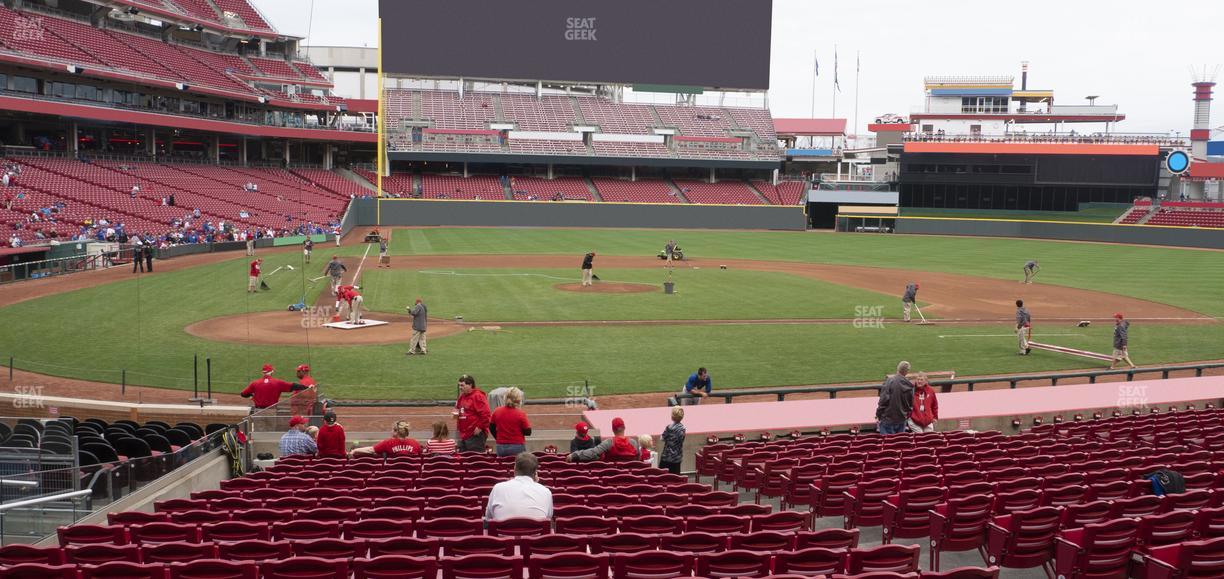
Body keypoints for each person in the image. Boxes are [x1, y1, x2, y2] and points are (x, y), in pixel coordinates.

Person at [485, 452, 553, 522]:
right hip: (536, 532)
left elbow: (488, 518)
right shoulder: (546, 492)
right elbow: (548, 518)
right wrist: (535, 484)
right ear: (535, 473)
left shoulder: (497, 488)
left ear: (514, 469)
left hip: (502, 532)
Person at [568, 417, 641, 462]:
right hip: (629, 478)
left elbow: (593, 453)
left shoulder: (609, 442)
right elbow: (638, 459)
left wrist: (575, 455)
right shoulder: (633, 443)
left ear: (613, 429)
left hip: (612, 477)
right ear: (624, 427)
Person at [240, 364, 310, 410]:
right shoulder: (277, 382)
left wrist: (252, 395)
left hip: (258, 411)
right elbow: (293, 386)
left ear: (262, 372)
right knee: (270, 430)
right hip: (272, 411)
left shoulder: (255, 383)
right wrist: (307, 387)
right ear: (272, 372)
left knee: (259, 431)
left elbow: (243, 394)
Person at [489, 387, 531, 457]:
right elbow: (528, 432)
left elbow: (491, 427)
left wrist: (499, 437)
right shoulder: (520, 414)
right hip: (517, 445)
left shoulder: (497, 411)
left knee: (502, 466)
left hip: (501, 446)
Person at [454, 374, 492, 452]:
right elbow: (458, 410)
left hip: (475, 435)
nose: (460, 388)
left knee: (475, 459)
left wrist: (480, 427)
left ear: (470, 385)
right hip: (464, 434)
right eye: (459, 385)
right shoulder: (462, 397)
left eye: (462, 385)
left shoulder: (478, 396)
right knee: (464, 460)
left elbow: (486, 414)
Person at [875, 361, 914, 435]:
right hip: (902, 420)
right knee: (898, 444)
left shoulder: (890, 381)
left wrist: (878, 414)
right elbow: (910, 405)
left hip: (888, 419)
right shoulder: (909, 384)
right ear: (907, 372)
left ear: (898, 368)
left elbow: (883, 401)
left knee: (888, 444)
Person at [352, 420, 421, 457]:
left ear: (396, 432)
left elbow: (371, 450)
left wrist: (355, 450)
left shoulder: (388, 443)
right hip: (411, 477)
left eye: (392, 429)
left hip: (393, 476)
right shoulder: (415, 443)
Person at [658, 406, 686, 474]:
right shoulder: (683, 428)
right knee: (675, 478)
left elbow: (662, 438)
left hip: (666, 457)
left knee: (662, 477)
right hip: (677, 458)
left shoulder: (669, 427)